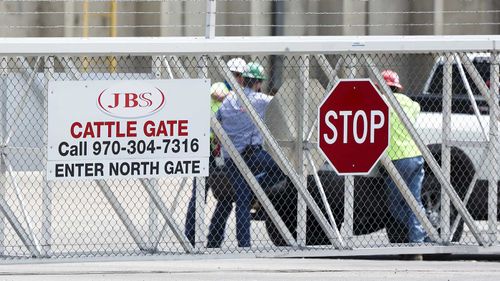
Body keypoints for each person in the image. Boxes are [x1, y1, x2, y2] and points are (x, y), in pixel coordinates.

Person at [206, 62, 285, 248]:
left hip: (230, 157)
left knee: (240, 199)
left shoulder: (228, 99)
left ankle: (243, 244)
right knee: (282, 169)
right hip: (252, 155)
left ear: (243, 80)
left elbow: (216, 125)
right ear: (257, 82)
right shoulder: (261, 99)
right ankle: (255, 187)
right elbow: (280, 104)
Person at [184, 57, 247, 247]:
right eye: (235, 75)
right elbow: (217, 92)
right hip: (208, 148)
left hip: (226, 152)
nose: (238, 79)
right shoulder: (222, 87)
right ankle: (190, 236)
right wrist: (235, 98)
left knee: (226, 195)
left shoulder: (242, 95)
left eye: (239, 76)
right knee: (199, 194)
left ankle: (214, 239)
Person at [381, 69, 428, 249]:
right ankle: (419, 238)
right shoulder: (410, 103)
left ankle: (417, 230)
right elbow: (417, 108)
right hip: (415, 155)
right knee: (414, 201)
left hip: (396, 158)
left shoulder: (381, 103)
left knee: (395, 204)